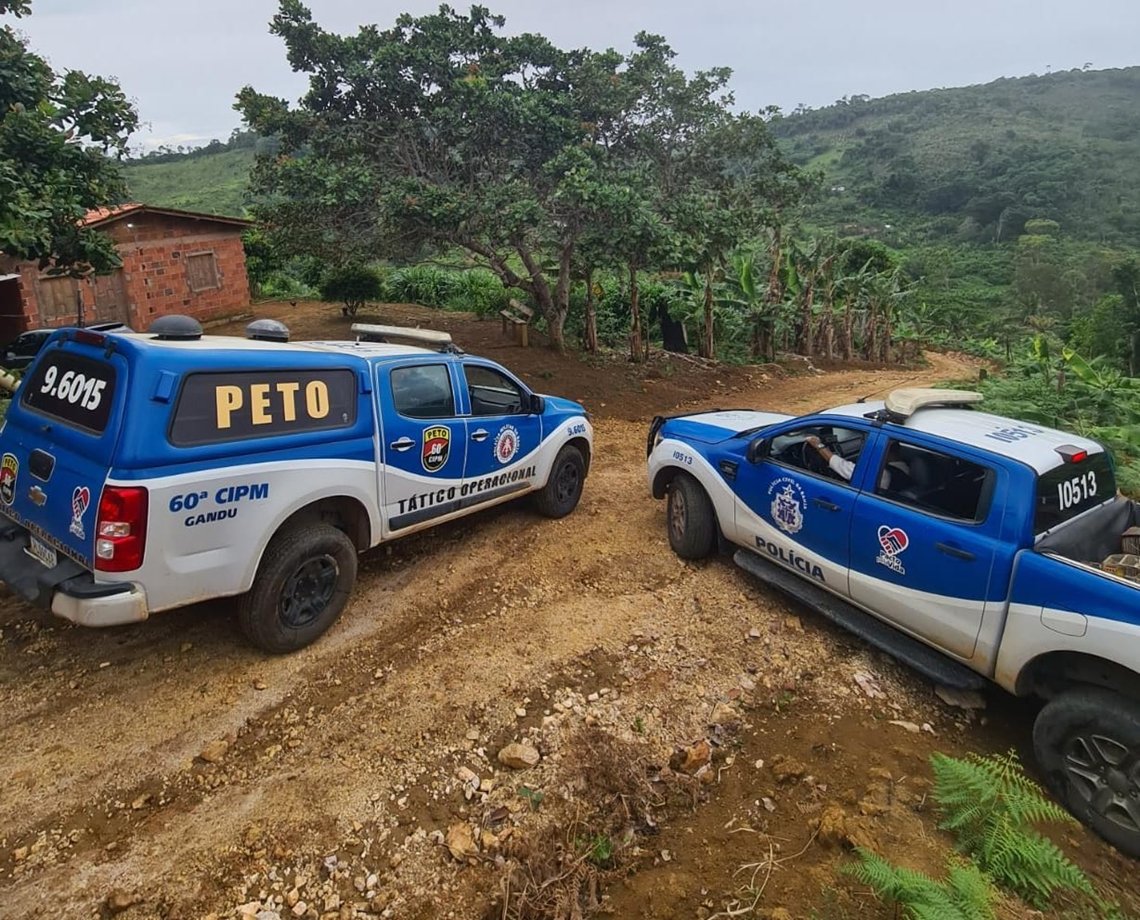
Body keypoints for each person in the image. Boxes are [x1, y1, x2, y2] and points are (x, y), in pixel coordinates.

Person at [805, 435, 910, 490]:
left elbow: (843, 467)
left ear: (886, 453)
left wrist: (819, 446)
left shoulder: (884, 475)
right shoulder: (906, 468)